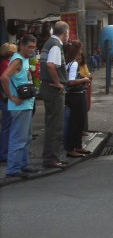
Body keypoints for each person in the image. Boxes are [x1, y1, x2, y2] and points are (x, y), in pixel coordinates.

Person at [0, 35, 38, 177]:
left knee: (26, 137)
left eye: (34, 47)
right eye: (29, 47)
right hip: (19, 106)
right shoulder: (18, 60)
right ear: (21, 46)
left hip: (26, 104)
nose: (32, 50)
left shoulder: (24, 59)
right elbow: (4, 77)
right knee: (18, 137)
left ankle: (23, 165)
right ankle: (13, 169)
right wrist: (11, 96)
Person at [39, 21, 70, 169]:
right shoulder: (56, 45)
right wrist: (58, 83)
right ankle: (52, 158)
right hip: (53, 89)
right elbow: (51, 65)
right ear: (65, 32)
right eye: (68, 33)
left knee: (51, 123)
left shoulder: (49, 43)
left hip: (47, 87)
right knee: (55, 125)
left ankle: (52, 157)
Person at [63, 41, 91, 158]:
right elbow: (71, 81)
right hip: (76, 96)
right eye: (80, 49)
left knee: (78, 121)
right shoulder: (73, 64)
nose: (81, 51)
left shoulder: (68, 63)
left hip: (73, 95)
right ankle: (71, 148)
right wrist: (84, 80)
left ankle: (78, 146)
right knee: (76, 122)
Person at [0, 42, 18, 163]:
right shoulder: (7, 64)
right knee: (8, 126)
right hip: (7, 99)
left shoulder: (4, 63)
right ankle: (4, 153)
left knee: (8, 126)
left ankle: (5, 152)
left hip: (5, 98)